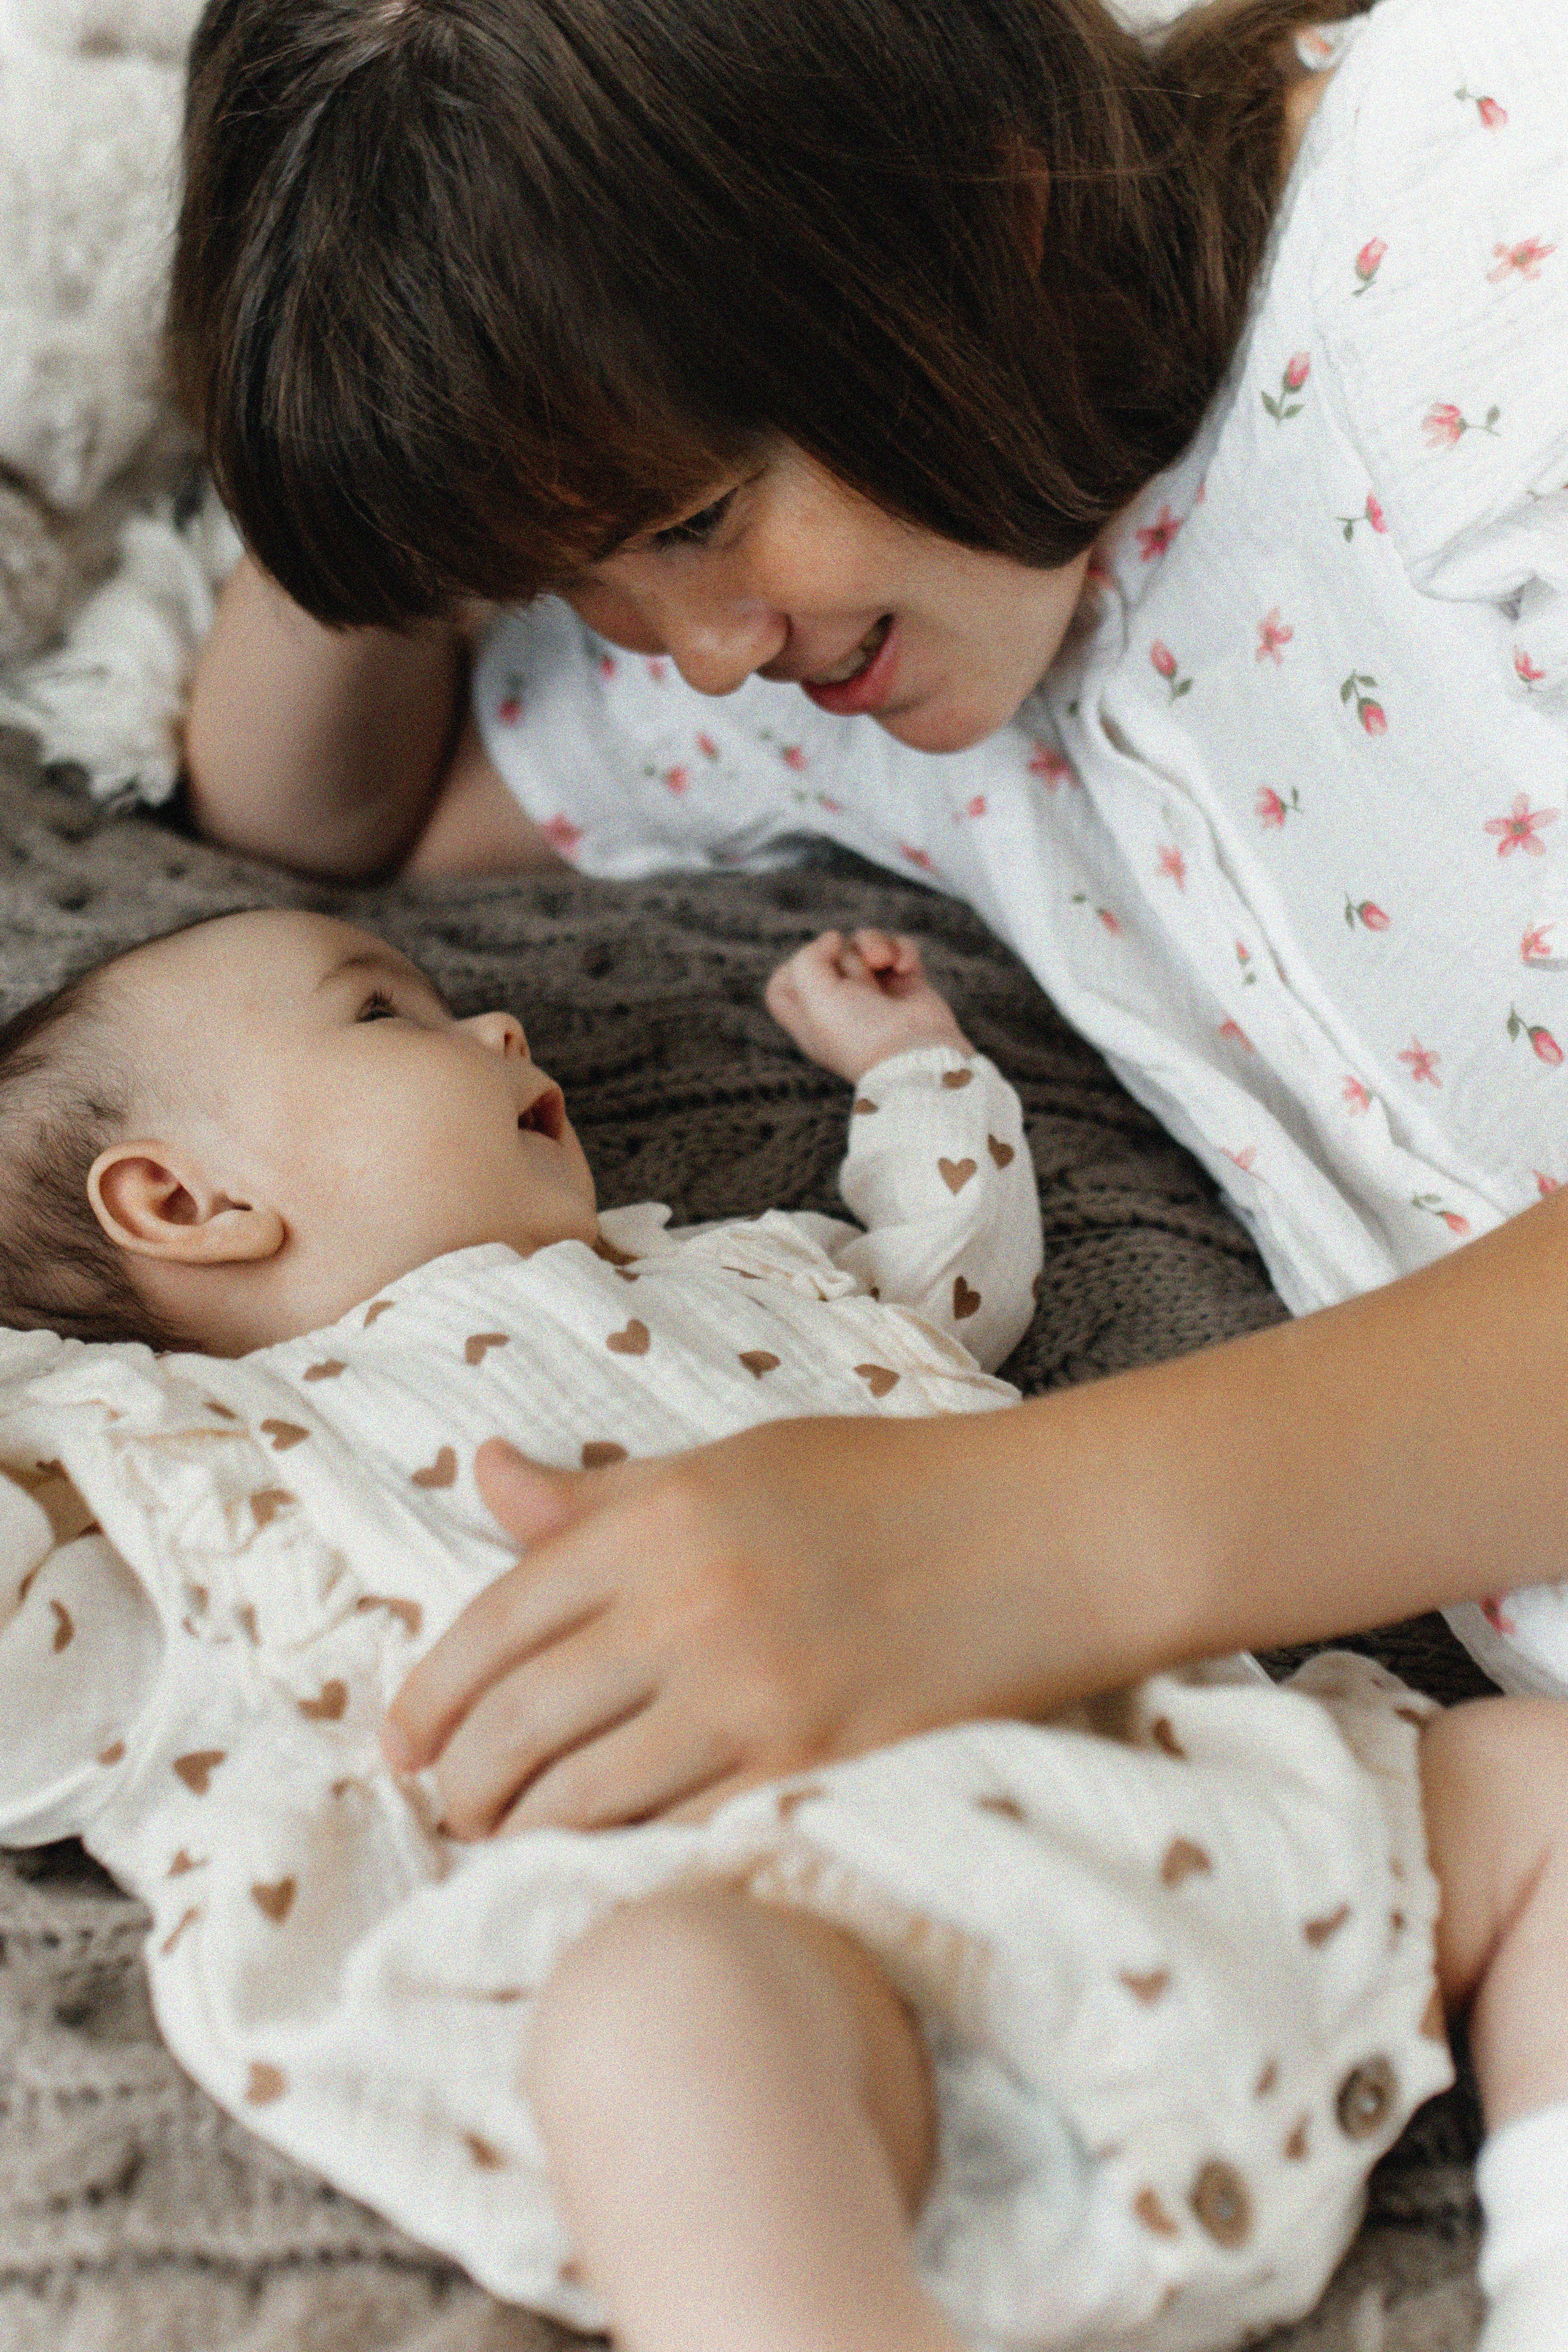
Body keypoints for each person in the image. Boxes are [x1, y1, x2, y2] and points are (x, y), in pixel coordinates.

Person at [167, 0, 1568, 1833]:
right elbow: (325, 813)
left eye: (689, 517)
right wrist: (399, 402)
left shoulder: (1477, 210)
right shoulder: (910, 650)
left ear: (982, 198)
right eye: (564, 579)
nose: (698, 653)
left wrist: (995, 1544)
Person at [0, 904, 1565, 2352]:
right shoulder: (172, 1483)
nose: (496, 1030)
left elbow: (951, 1279)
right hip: (839, 2013)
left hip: (1193, 1836)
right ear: (181, 1202)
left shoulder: (739, 1266)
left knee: (1530, 1781)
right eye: (380, 1014)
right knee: (661, 2013)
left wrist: (912, 1070)